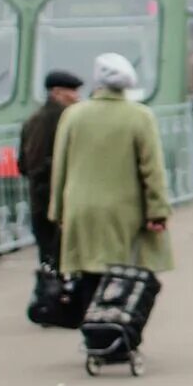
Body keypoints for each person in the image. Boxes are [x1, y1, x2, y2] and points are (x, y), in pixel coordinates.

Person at [48, 53, 173, 319]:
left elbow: (60, 168)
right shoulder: (140, 116)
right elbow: (152, 170)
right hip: (124, 212)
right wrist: (157, 211)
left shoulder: (72, 115)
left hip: (80, 209)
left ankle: (92, 333)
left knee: (89, 272)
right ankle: (116, 332)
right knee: (123, 275)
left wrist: (58, 211)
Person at [18, 70, 84, 268]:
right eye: (71, 91)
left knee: (48, 259)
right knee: (66, 258)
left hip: (39, 199)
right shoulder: (67, 120)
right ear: (56, 92)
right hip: (61, 199)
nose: (77, 96)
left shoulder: (31, 121)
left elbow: (22, 164)